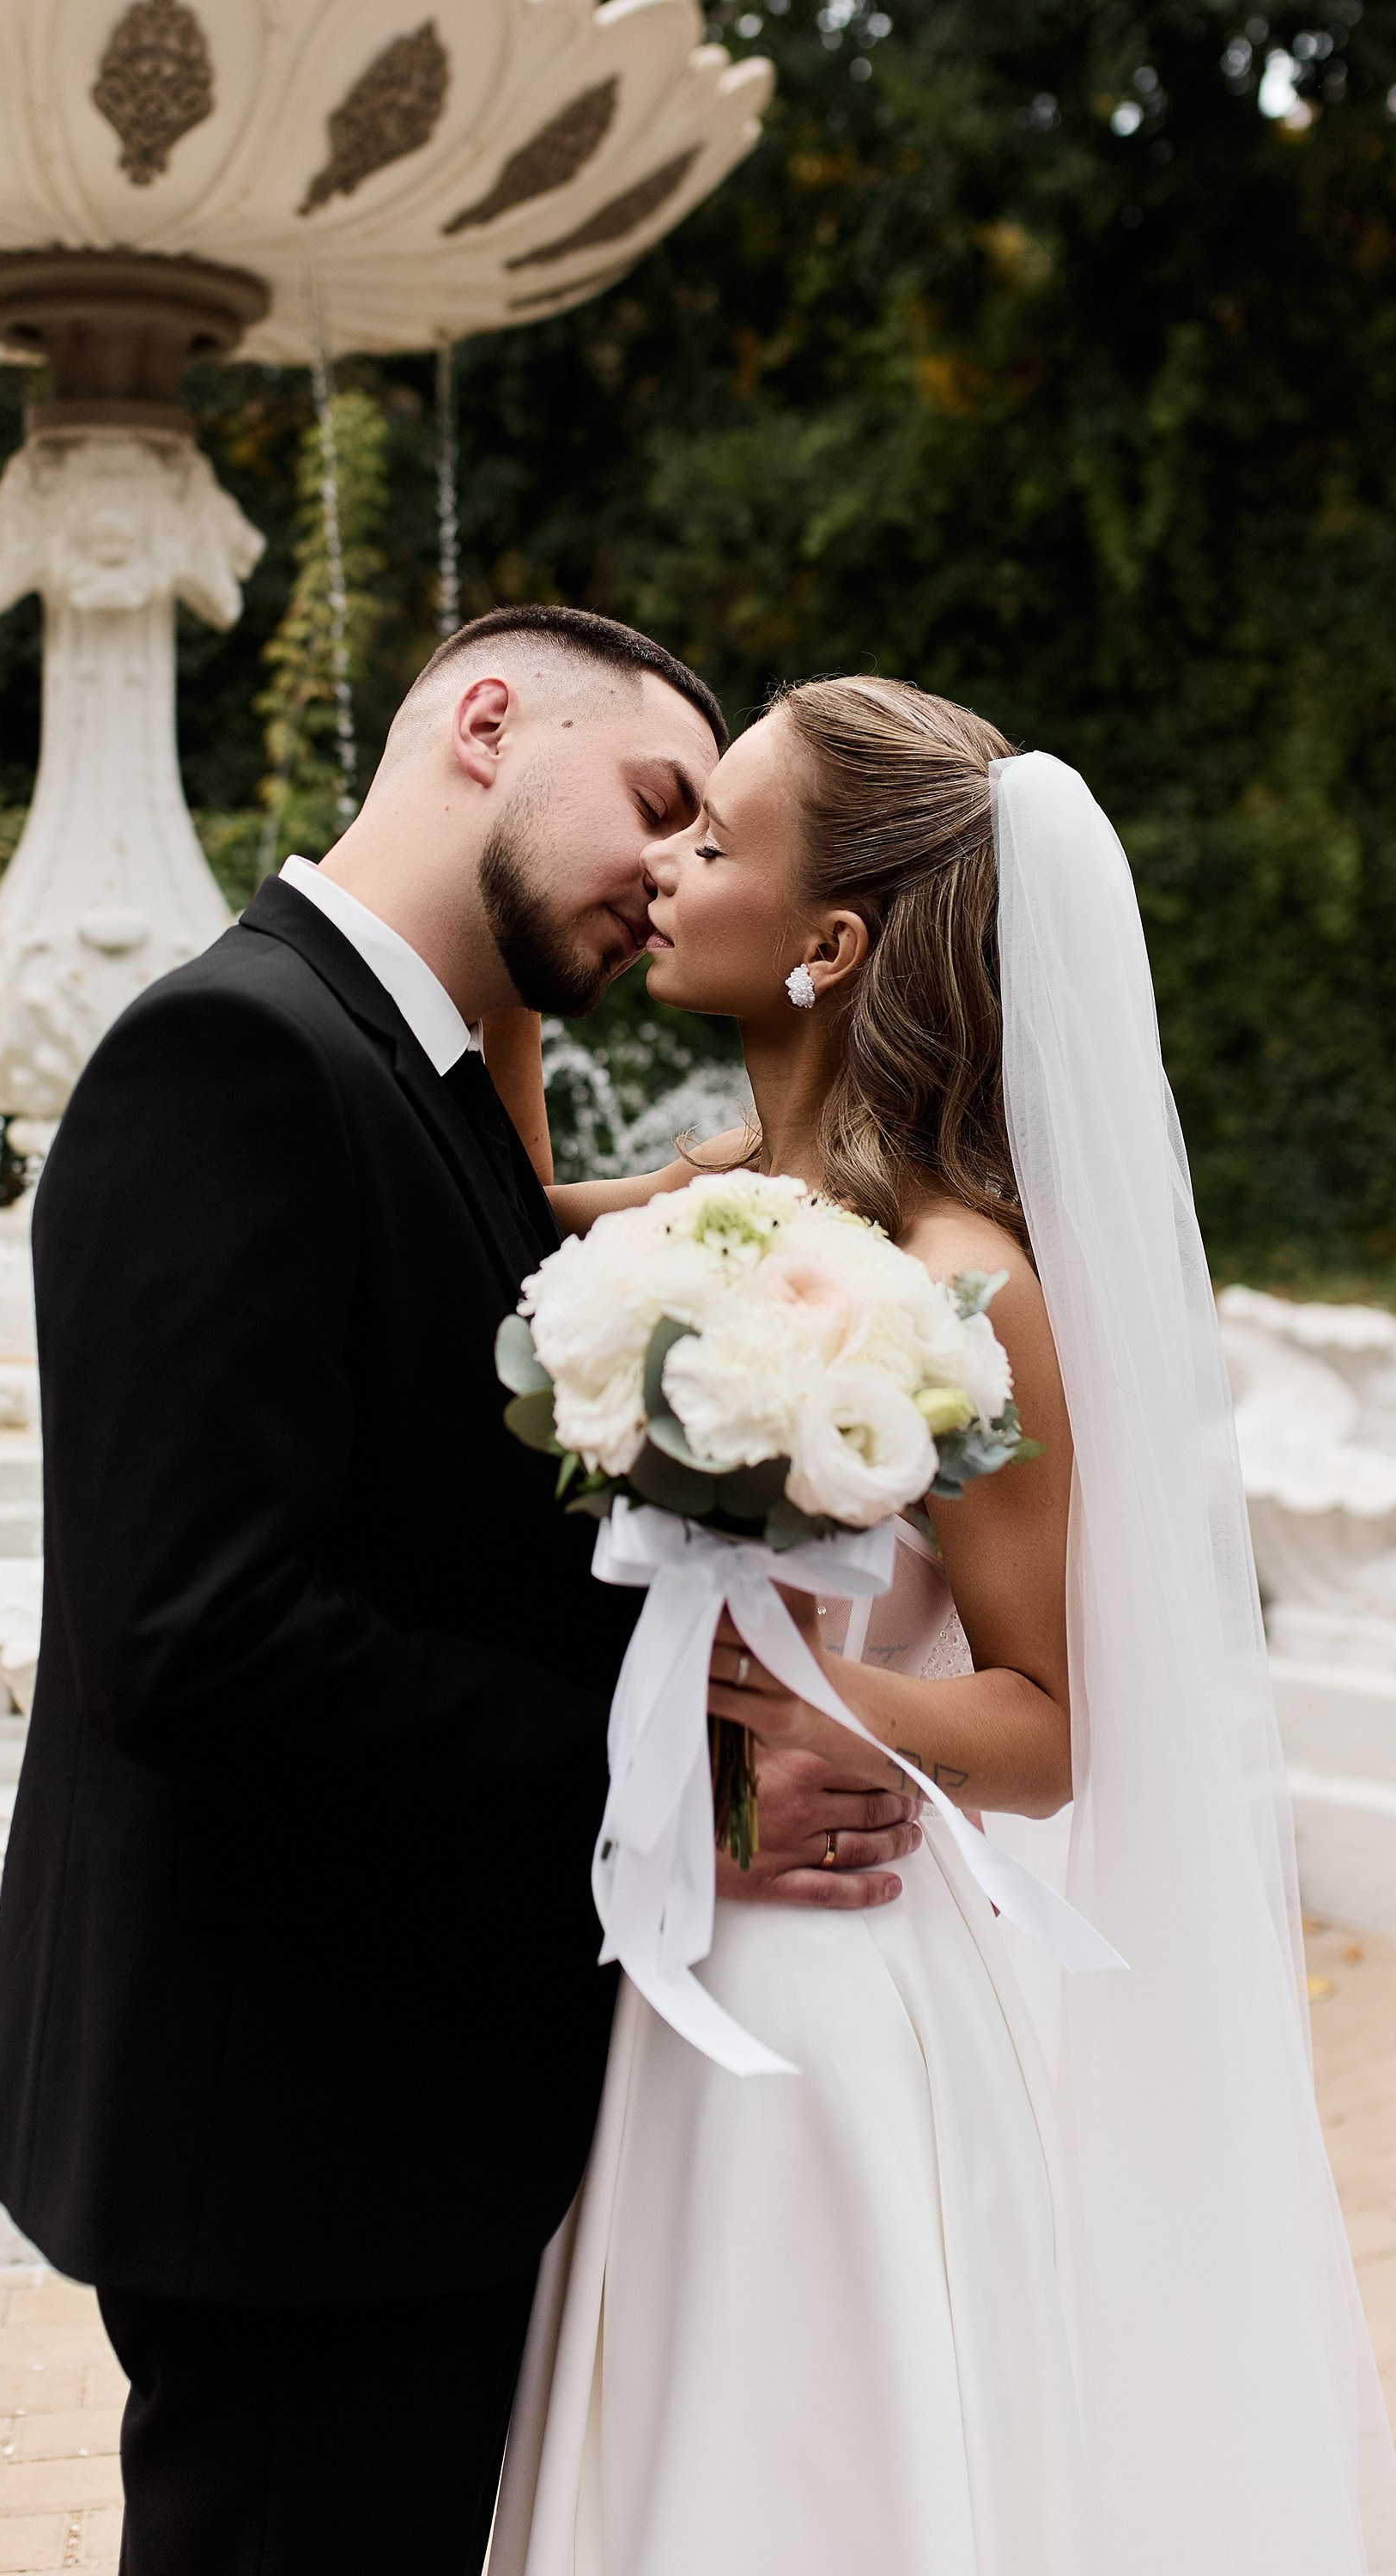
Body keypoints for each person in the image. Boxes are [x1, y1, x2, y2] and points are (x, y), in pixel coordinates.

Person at [0, 608, 923, 2576]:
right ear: (485, 721)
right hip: (292, 2138)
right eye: (656, 802)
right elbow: (198, 1639)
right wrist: (674, 1791)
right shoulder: (232, 1053)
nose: (671, 872)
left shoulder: (422, 1078)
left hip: (389, 2121)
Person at [489, 677, 1396, 2575]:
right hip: (673, 1938)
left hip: (829, 1976)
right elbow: (484, 1225)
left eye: (713, 841)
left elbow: (1056, 1721)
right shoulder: (721, 1198)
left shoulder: (963, 1275)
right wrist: (500, 963)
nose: (666, 866)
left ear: (828, 947)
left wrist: (826, 1703)